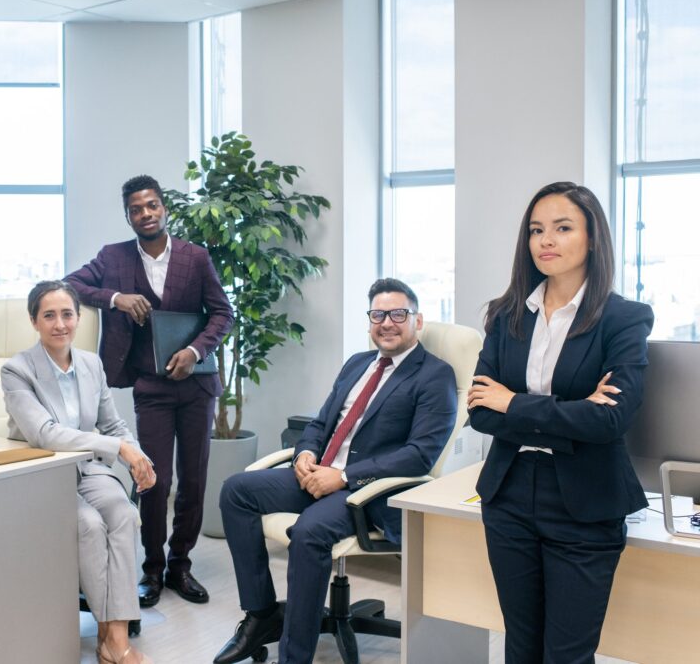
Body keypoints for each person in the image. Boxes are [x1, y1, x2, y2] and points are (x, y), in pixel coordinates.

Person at [214, 278, 457, 664]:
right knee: (236, 490)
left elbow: (419, 455)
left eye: (398, 314)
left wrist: (344, 477)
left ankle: (294, 657)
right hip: (318, 475)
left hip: (365, 491)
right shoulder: (358, 363)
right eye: (378, 314)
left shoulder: (435, 375)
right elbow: (321, 421)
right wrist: (305, 454)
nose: (387, 323)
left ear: (418, 321)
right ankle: (262, 614)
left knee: (309, 532)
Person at [468, 181, 654, 664]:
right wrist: (572, 412)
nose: (545, 240)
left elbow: (610, 420)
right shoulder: (507, 314)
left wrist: (513, 403)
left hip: (585, 501)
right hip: (508, 495)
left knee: (567, 656)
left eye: (563, 228)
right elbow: (480, 411)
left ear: (592, 239)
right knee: (521, 646)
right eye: (536, 230)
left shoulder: (623, 319)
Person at [66, 174, 232, 607]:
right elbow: (71, 285)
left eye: (152, 205)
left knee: (193, 479)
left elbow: (222, 314)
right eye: (136, 209)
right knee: (153, 479)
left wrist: (195, 351)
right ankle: (152, 569)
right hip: (150, 386)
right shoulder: (114, 257)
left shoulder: (196, 257)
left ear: (164, 209)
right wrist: (116, 298)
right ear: (128, 216)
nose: (146, 214)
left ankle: (180, 565)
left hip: (196, 386)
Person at [1, 280, 157, 664]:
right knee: (88, 524)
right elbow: (45, 433)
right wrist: (117, 448)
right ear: (34, 321)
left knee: (123, 514)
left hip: (89, 470)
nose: (60, 324)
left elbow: (113, 424)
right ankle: (114, 639)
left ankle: (113, 637)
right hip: (44, 474)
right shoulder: (16, 370)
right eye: (49, 315)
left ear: (78, 318)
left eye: (67, 314)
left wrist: (137, 455)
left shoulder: (91, 364)